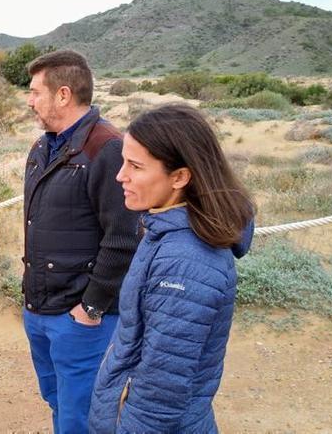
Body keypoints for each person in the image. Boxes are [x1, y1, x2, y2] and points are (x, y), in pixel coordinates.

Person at [88, 104, 255, 433]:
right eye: (123, 161)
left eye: (135, 166)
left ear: (180, 176)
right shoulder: (165, 229)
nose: (121, 175)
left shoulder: (184, 262)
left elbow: (160, 392)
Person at [21, 49, 142, 434]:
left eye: (36, 91)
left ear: (63, 94)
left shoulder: (106, 147)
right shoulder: (43, 147)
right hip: (41, 308)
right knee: (57, 401)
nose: (30, 100)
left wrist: (90, 307)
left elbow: (123, 238)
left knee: (84, 416)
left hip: (82, 320)